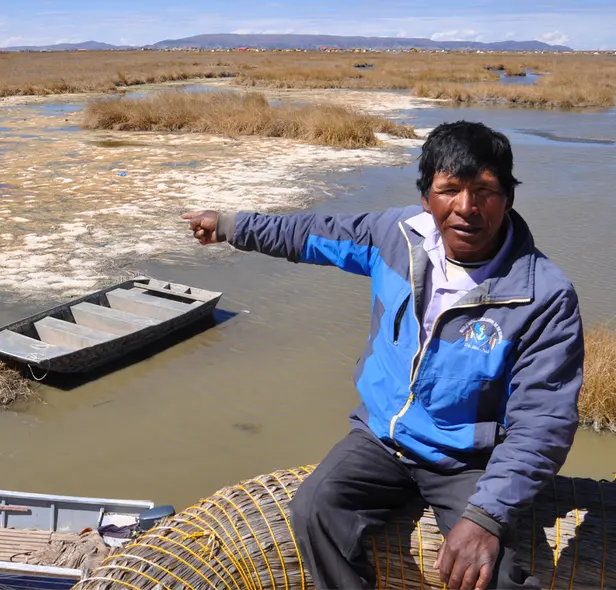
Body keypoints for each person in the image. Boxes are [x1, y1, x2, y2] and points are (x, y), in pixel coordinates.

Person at [182, 121, 584, 590]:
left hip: (468, 462)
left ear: (508, 198)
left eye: (485, 191)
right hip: (381, 440)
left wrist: (485, 517)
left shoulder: (543, 295)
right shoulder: (395, 238)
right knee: (312, 508)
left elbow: (544, 421)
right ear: (425, 197)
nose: (466, 208)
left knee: (493, 577)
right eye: (449, 189)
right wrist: (231, 226)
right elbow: (312, 234)